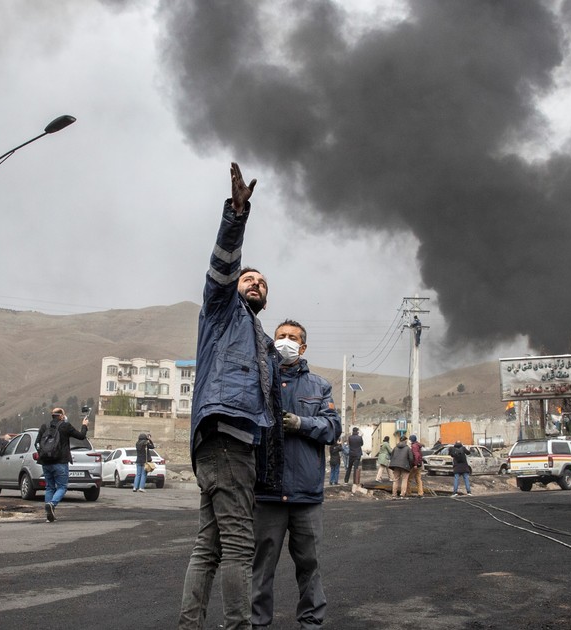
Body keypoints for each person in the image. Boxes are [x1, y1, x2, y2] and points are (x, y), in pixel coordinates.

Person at [180, 163, 282, 630]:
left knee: (210, 546)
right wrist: (236, 215)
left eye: (262, 283)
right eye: (249, 279)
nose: (255, 283)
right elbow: (222, 267)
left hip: (228, 443)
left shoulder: (260, 338)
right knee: (239, 545)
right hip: (226, 437)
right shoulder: (223, 310)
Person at [251, 319, 342, 629]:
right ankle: (257, 624)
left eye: (292, 337)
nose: (285, 341)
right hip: (267, 493)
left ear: (302, 348)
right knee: (261, 568)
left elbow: (333, 428)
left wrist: (302, 423)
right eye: (280, 336)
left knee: (309, 566)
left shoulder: (319, 386)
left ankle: (311, 624)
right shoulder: (259, 381)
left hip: (306, 495)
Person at [35, 407, 89, 522]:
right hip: (60, 462)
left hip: (46, 462)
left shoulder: (44, 426)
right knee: (62, 487)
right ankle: (52, 504)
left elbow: (37, 444)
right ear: (61, 416)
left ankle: (49, 514)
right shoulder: (65, 426)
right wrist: (84, 425)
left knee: (49, 487)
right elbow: (81, 436)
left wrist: (44, 455)